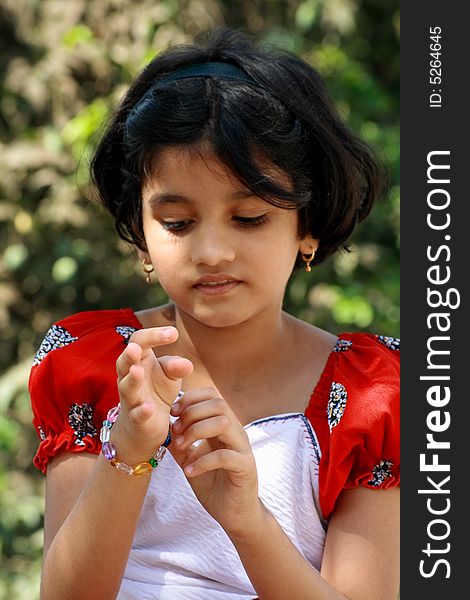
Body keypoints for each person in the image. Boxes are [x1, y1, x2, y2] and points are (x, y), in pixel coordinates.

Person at [29, 28, 400, 600]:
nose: (210, 253)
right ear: (140, 231)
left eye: (248, 218)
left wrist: (247, 520)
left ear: (308, 225)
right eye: (178, 223)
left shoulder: (375, 397)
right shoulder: (93, 365)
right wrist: (127, 450)